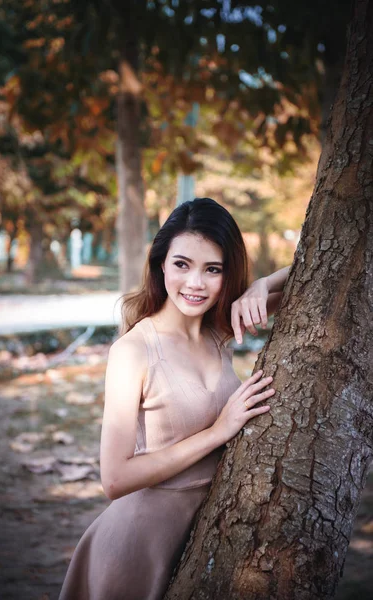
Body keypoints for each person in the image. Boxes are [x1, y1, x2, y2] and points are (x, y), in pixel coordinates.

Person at [59, 198, 289, 600]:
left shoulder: (221, 330)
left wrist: (261, 285)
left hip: (207, 538)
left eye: (212, 269)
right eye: (182, 264)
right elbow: (114, 479)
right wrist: (218, 432)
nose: (195, 283)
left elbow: (318, 269)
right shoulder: (134, 351)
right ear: (161, 263)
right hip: (137, 546)